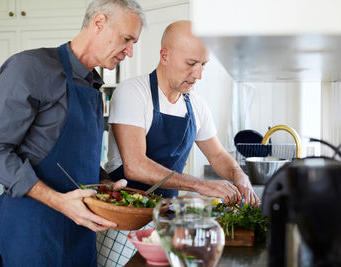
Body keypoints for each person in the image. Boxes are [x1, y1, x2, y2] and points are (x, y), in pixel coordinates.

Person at [0, 0, 144, 266]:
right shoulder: (30, 67)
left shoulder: (92, 85)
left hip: (82, 231)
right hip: (34, 232)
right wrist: (58, 201)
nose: (130, 52)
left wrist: (105, 185)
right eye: (127, 39)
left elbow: (75, 156)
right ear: (99, 23)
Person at [96, 20, 260, 267]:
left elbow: (216, 156)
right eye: (191, 64)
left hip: (166, 219)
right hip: (126, 218)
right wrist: (200, 186)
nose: (199, 75)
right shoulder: (132, 93)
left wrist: (240, 176)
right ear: (165, 55)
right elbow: (135, 166)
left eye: (203, 65)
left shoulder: (196, 104)